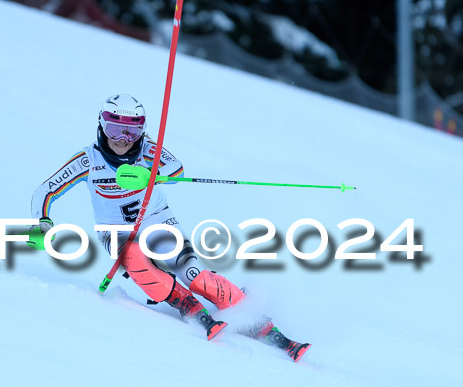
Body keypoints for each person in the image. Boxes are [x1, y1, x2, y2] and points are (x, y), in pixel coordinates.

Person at [31, 94, 310, 361]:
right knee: (133, 257)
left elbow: (177, 171)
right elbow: (46, 191)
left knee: (193, 274)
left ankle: (255, 318)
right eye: (115, 129)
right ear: (102, 125)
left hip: (156, 220)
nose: (122, 140)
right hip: (115, 231)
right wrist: (43, 223)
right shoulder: (88, 160)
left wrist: (152, 175)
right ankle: (184, 302)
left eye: (131, 131)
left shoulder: (149, 150)